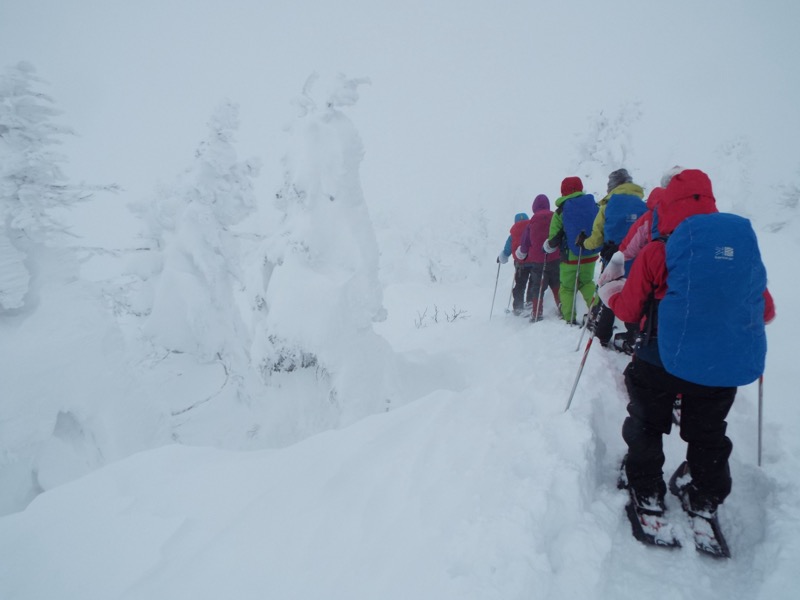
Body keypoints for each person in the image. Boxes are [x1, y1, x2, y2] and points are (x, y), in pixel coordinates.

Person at [597, 168, 776, 537]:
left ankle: (646, 488)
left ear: (669, 203)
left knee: (646, 423)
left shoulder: (657, 251)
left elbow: (629, 311)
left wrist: (610, 291)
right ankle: (704, 496)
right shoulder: (739, 253)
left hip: (659, 360)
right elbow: (766, 310)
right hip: (719, 368)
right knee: (709, 434)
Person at [577, 168, 646, 347]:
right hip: (640, 261)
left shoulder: (608, 206)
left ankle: (602, 334)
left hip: (614, 260)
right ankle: (635, 334)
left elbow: (596, 238)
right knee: (633, 296)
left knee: (609, 295)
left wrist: (584, 243)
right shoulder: (643, 205)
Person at [543, 176, 599, 324]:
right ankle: (598, 312)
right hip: (591, 253)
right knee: (587, 283)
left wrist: (548, 247)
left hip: (570, 257)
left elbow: (553, 238)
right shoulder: (593, 205)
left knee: (567, 288)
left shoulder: (560, 212)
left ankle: (569, 318)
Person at [514, 194, 560, 321]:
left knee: (538, 286)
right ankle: (562, 309)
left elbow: (525, 243)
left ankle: (536, 313)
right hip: (555, 257)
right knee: (557, 283)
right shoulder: (555, 217)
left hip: (538, 261)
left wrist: (521, 255)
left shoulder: (532, 222)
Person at [497, 211, 535, 315]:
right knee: (533, 282)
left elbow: (507, 251)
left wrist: (501, 258)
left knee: (520, 284)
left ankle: (518, 307)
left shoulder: (513, 234)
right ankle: (531, 302)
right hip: (534, 261)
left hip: (520, 263)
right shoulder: (533, 229)